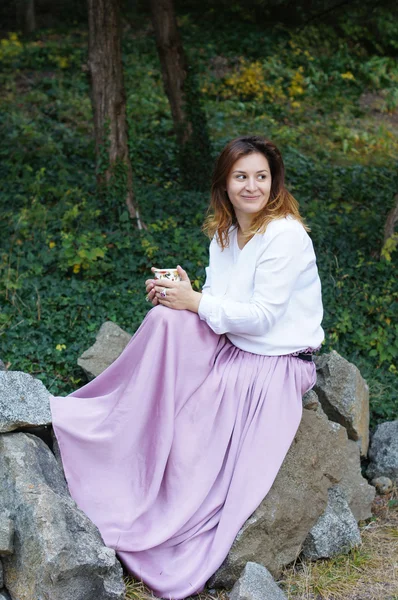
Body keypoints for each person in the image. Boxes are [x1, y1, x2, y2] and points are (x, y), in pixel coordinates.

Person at [50, 135, 324, 600]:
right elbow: (222, 302)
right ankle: (111, 423)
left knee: (194, 433)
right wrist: (186, 293)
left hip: (274, 363)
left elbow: (264, 317)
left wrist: (197, 302)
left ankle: (154, 512)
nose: (252, 186)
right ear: (225, 183)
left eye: (261, 176)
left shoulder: (286, 234)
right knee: (164, 318)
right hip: (233, 345)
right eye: (242, 177)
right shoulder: (224, 233)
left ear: (274, 182)